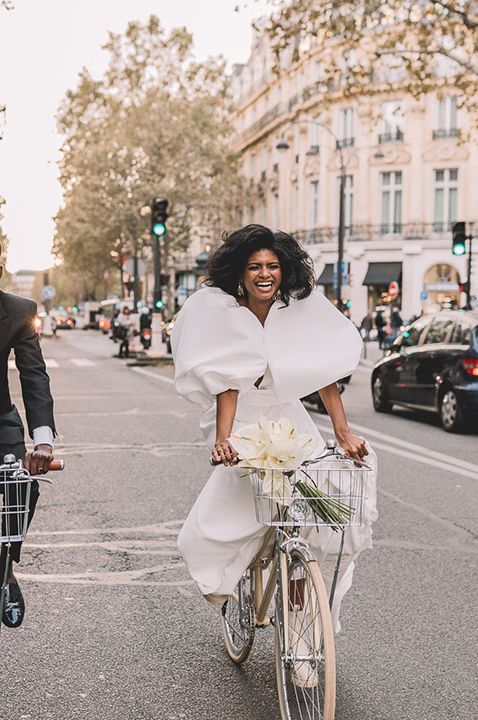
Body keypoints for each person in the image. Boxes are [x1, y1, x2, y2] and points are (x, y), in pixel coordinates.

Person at [172, 225, 377, 653]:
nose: (264, 274)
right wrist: (224, 439)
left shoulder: (297, 308)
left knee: (314, 507)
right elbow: (227, 384)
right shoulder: (225, 311)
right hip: (240, 415)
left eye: (272, 266)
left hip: (286, 413)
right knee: (247, 494)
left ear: (284, 270)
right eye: (254, 267)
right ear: (240, 272)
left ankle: (301, 635)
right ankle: (231, 573)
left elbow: (323, 378)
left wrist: (343, 433)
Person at [0, 242, 56, 628]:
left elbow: (34, 376)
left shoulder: (19, 311)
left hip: (0, 420)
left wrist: (42, 441)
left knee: (23, 484)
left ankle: (6, 566)